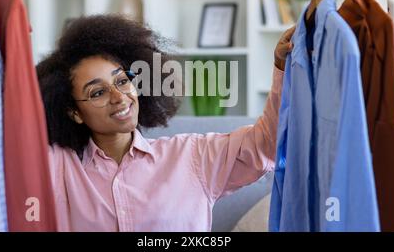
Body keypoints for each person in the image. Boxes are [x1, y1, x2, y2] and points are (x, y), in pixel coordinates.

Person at [36, 14, 294, 231]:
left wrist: (282, 66)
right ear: (74, 112)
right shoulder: (57, 165)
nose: (119, 97)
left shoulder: (191, 156)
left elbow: (267, 145)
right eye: (98, 92)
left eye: (122, 80)